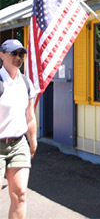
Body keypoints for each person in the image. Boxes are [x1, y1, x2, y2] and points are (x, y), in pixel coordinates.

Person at [0, 39, 37, 219]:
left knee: (20, 194)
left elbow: (30, 115)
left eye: (20, 54)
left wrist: (33, 140)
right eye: (13, 53)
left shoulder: (26, 83)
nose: (18, 57)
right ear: (2, 55)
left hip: (18, 143)